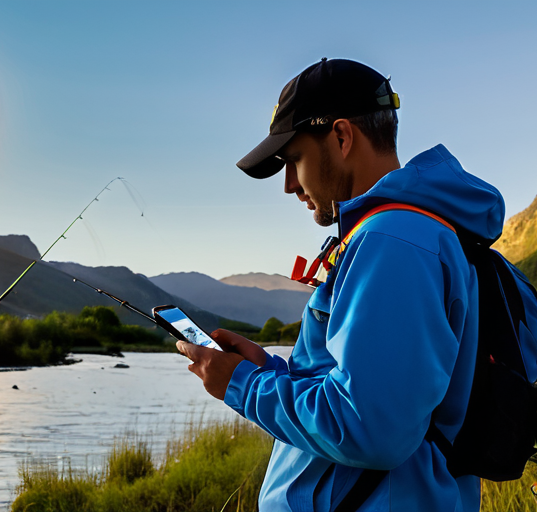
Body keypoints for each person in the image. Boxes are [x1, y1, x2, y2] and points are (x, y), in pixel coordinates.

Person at [176, 58, 505, 511]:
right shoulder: (415, 234)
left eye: (293, 160)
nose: (289, 184)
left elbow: (370, 428)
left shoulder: (393, 241)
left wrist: (244, 385)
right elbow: (369, 390)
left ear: (342, 136)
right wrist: (272, 372)